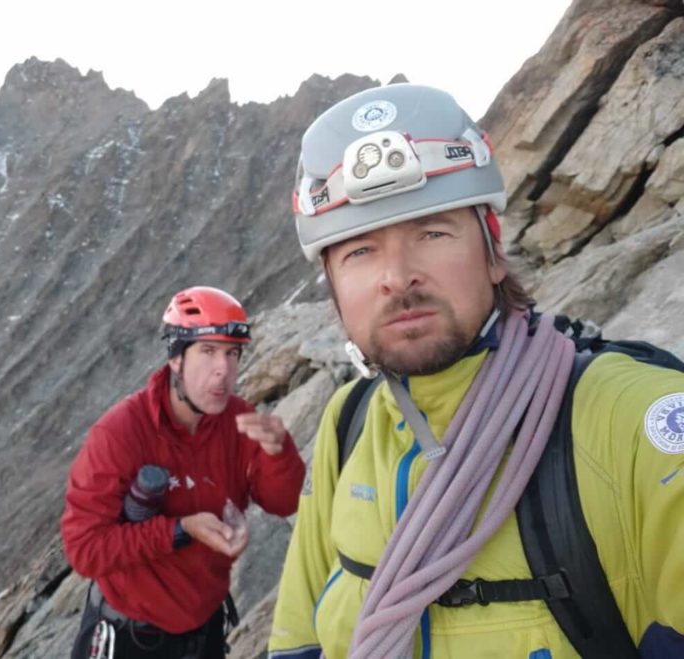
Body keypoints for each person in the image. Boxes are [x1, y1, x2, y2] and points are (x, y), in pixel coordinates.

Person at [268, 83, 684, 658]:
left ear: (492, 252)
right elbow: (299, 638)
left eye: (432, 233)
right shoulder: (348, 423)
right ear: (334, 288)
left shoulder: (632, 417)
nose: (398, 276)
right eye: (359, 251)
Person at [62, 285, 305, 659]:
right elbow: (84, 549)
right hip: (128, 638)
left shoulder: (238, 421)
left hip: (202, 633)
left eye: (232, 353)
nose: (223, 369)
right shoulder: (121, 433)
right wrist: (178, 530)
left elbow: (281, 502)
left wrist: (279, 453)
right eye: (208, 352)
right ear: (175, 359)